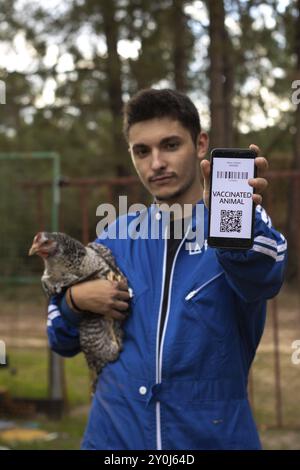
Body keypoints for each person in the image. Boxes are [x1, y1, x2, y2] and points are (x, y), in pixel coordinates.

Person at [47, 88, 287, 450]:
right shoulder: (115, 234)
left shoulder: (238, 226)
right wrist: (74, 302)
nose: (156, 162)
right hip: (113, 439)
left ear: (201, 144)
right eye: (142, 151)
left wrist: (226, 222)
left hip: (211, 438)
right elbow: (59, 339)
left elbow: (265, 274)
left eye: (170, 145)